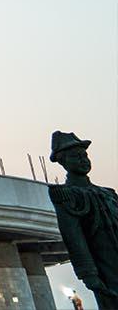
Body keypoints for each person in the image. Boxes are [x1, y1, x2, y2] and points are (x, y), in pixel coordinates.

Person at [49, 131, 118, 309]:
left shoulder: (108, 193)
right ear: (63, 161)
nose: (83, 160)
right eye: (76, 156)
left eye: (85, 155)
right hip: (105, 263)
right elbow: (73, 236)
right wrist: (88, 273)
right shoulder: (66, 195)